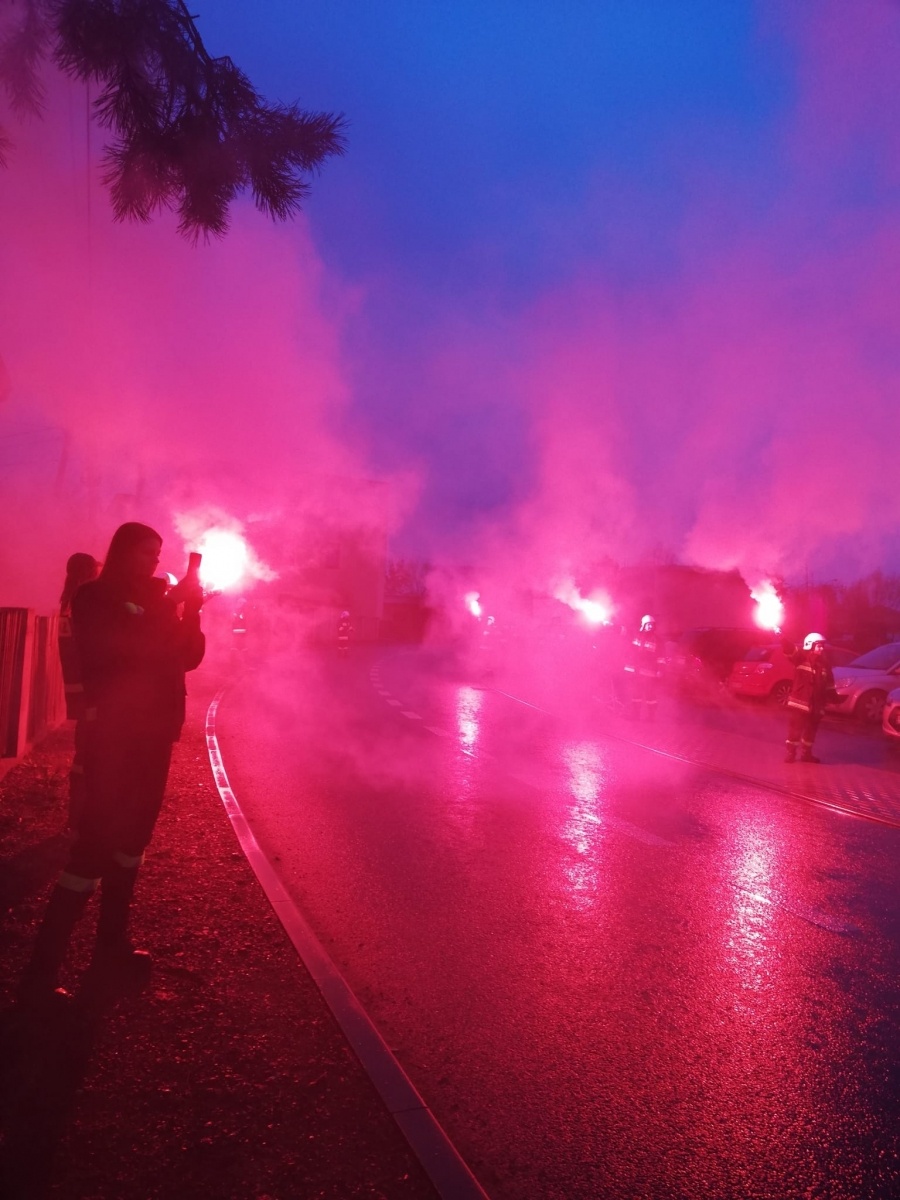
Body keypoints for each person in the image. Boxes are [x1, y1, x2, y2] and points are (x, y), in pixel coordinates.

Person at [19, 522, 205, 1006]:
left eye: (159, 554)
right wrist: (171, 604)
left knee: (133, 843)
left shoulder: (155, 598)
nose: (156, 563)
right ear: (125, 553)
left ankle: (111, 947)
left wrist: (192, 610)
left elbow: (187, 657)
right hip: (115, 740)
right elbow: (128, 648)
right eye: (148, 554)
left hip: (154, 738)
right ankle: (39, 978)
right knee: (94, 849)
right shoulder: (95, 597)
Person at [58, 552, 101, 831]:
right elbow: (81, 656)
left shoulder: (70, 603)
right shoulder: (82, 605)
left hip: (85, 697)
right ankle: (81, 823)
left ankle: (78, 821)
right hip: (90, 697)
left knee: (84, 759)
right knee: (89, 759)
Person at [782, 632, 837, 763]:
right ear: (810, 646)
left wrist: (834, 698)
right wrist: (782, 637)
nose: (822, 649)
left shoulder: (825, 665)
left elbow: (829, 685)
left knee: (810, 732)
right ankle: (791, 753)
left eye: (822, 646)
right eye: (819, 646)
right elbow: (790, 649)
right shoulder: (800, 658)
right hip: (800, 704)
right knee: (795, 730)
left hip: (816, 706)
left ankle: (806, 754)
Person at [624, 614, 663, 719]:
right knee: (636, 695)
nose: (650, 626)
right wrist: (629, 668)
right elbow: (631, 652)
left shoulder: (657, 640)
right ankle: (635, 715)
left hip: (650, 673)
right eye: (648, 624)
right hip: (637, 671)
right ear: (643, 625)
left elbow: (660, 657)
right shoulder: (637, 637)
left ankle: (651, 717)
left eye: (652, 625)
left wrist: (660, 670)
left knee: (651, 697)